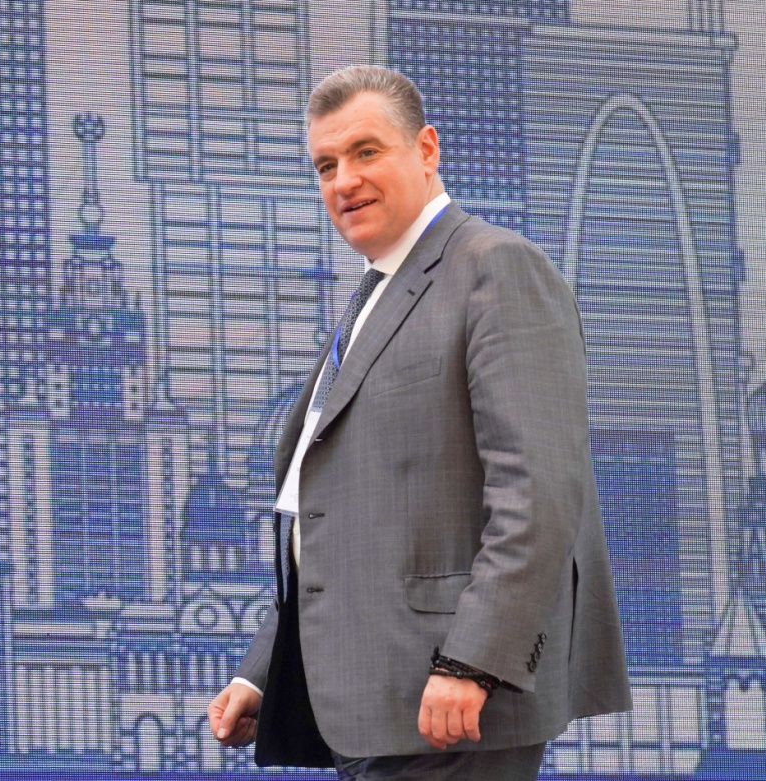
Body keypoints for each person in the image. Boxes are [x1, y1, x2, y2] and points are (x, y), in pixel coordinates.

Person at [207, 65, 631, 780]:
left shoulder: (496, 268)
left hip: (455, 708)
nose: (344, 180)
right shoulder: (376, 296)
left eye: (366, 151)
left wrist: (474, 661)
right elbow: (336, 525)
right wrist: (263, 671)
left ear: (427, 149)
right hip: (374, 708)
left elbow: (539, 494)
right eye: (326, 165)